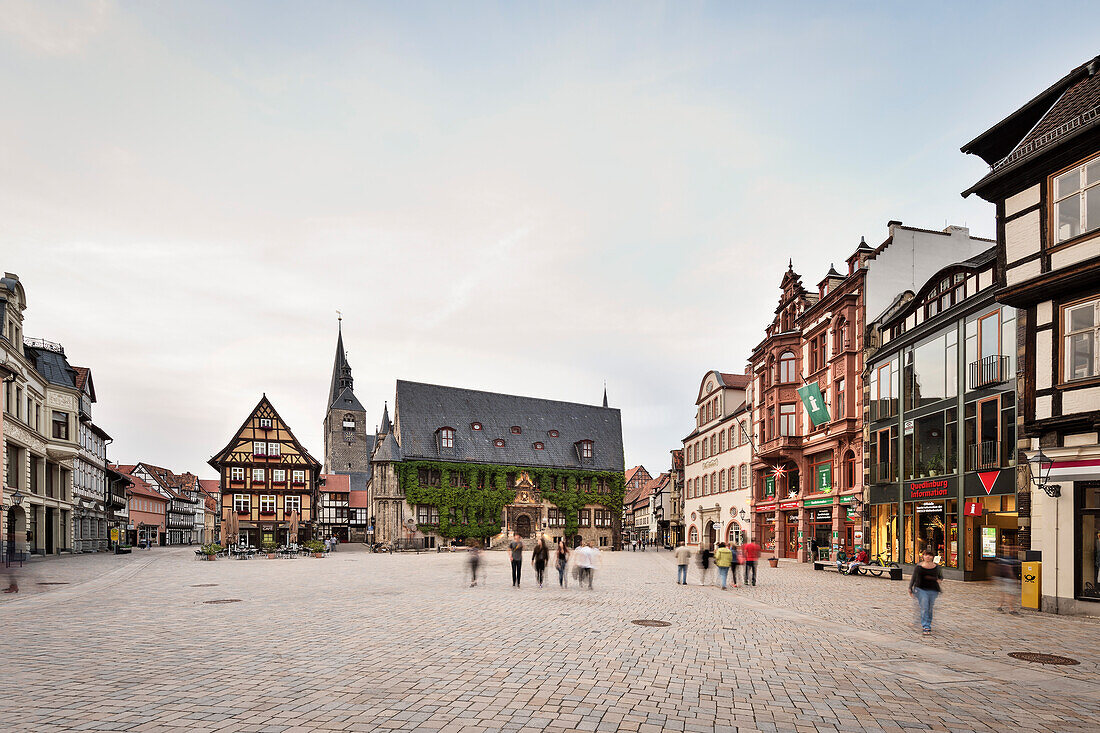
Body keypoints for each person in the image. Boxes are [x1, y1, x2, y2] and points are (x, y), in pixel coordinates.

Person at [909, 548, 943, 635]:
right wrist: (910, 588)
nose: (928, 557)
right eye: (926, 555)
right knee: (924, 607)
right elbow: (914, 577)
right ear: (923, 556)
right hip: (921, 589)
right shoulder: (919, 567)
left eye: (930, 555)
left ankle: (928, 622)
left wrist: (938, 580)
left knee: (929, 608)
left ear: (932, 557)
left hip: (933, 589)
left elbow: (940, 577)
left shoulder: (937, 567)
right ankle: (926, 626)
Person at [993, 548, 1019, 614]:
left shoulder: (999, 558)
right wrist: (1013, 577)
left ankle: (999, 606)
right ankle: (1011, 609)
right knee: (1011, 594)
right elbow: (1009, 569)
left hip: (1001, 578)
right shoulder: (1010, 559)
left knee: (1003, 593)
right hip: (1008, 579)